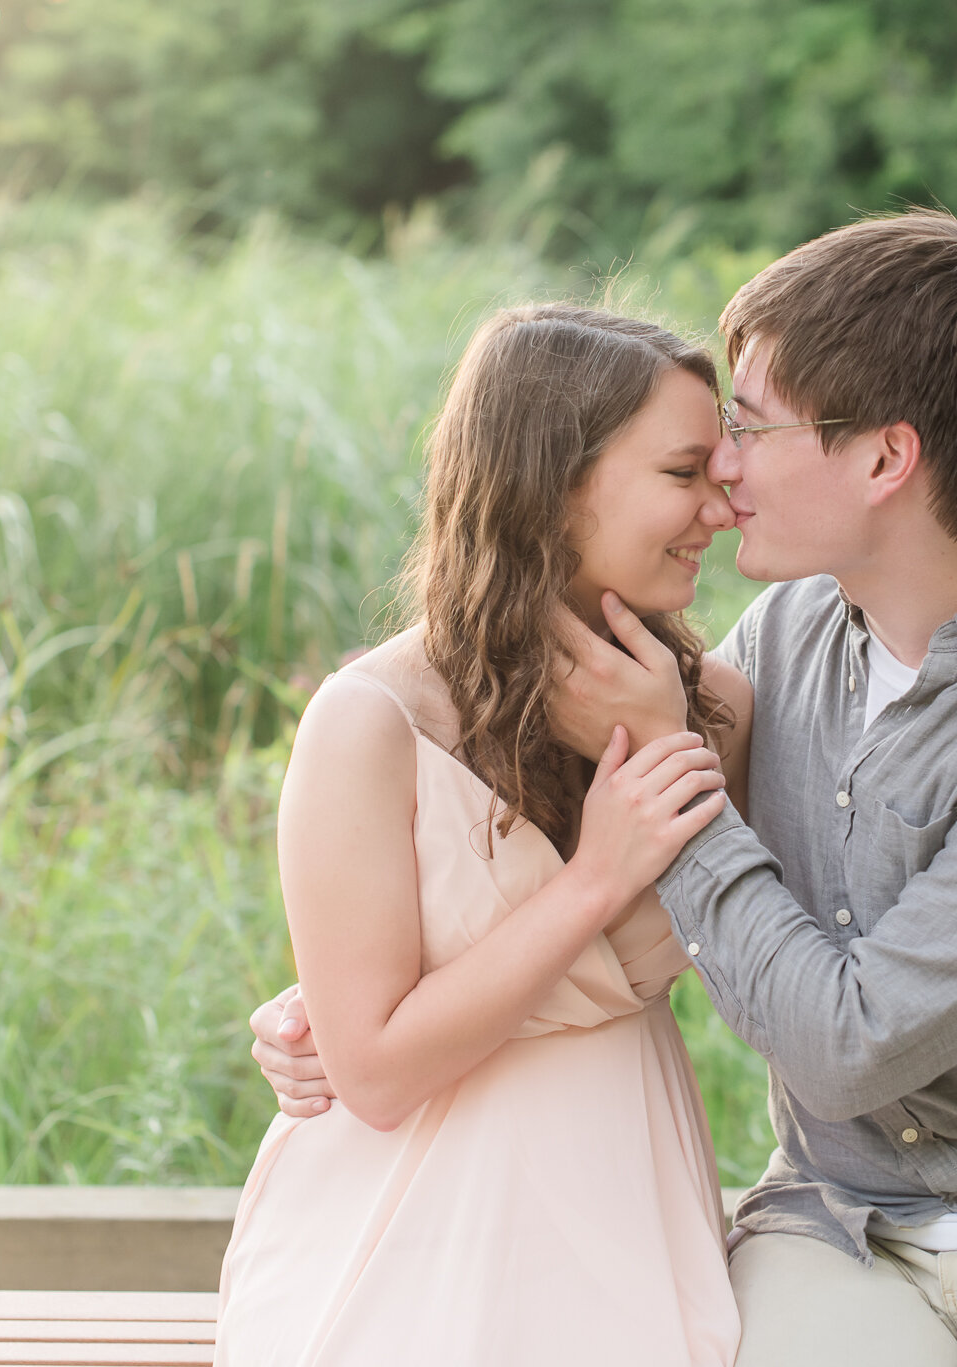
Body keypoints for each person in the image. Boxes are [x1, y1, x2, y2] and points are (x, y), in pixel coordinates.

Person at [254, 211, 957, 1365]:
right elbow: (495, 850)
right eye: (701, 449)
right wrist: (329, 999)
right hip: (840, 1227)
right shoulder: (784, 638)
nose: (725, 468)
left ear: (885, 459)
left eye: (747, 427)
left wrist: (667, 765)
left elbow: (844, 1039)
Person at [214, 304, 746, 1366]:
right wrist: (593, 879)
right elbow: (369, 1072)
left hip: (622, 1201)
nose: (721, 507)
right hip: (400, 1223)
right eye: (685, 472)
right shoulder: (370, 723)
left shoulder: (717, 712)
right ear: (552, 486)